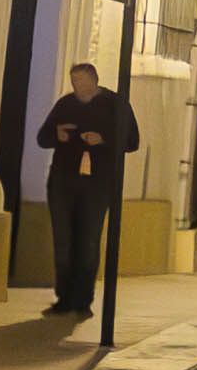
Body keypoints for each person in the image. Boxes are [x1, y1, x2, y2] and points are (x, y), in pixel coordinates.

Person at [37, 60, 139, 312]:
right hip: (63, 181)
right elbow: (43, 137)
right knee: (63, 240)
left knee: (88, 241)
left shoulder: (115, 105)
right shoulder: (66, 105)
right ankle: (64, 298)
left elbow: (132, 141)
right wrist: (57, 135)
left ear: (94, 80)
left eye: (82, 82)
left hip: (98, 183)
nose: (78, 87)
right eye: (74, 82)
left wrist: (103, 140)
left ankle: (83, 300)